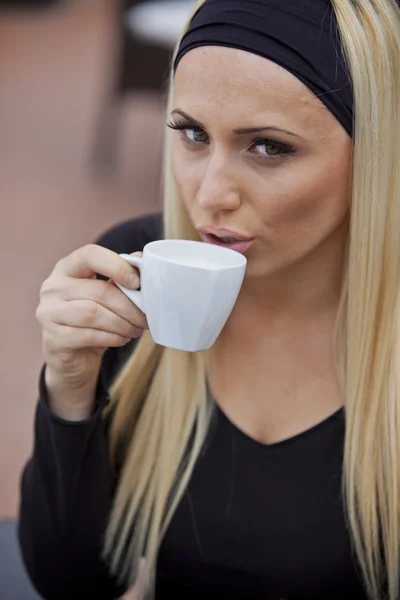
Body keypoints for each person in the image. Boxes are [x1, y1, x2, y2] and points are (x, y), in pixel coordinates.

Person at [18, 0, 400, 598]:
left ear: (377, 152)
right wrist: (69, 388)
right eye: (192, 133)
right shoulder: (136, 277)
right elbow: (73, 582)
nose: (209, 194)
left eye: (269, 147)